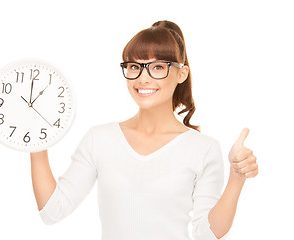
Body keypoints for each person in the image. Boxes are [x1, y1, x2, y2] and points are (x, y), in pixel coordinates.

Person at [30, 20, 259, 240]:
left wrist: (236, 178)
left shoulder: (203, 149)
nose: (143, 78)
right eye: (134, 67)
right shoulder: (99, 139)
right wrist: (35, 140)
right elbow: (52, 212)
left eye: (158, 67)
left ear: (181, 73)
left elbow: (207, 235)